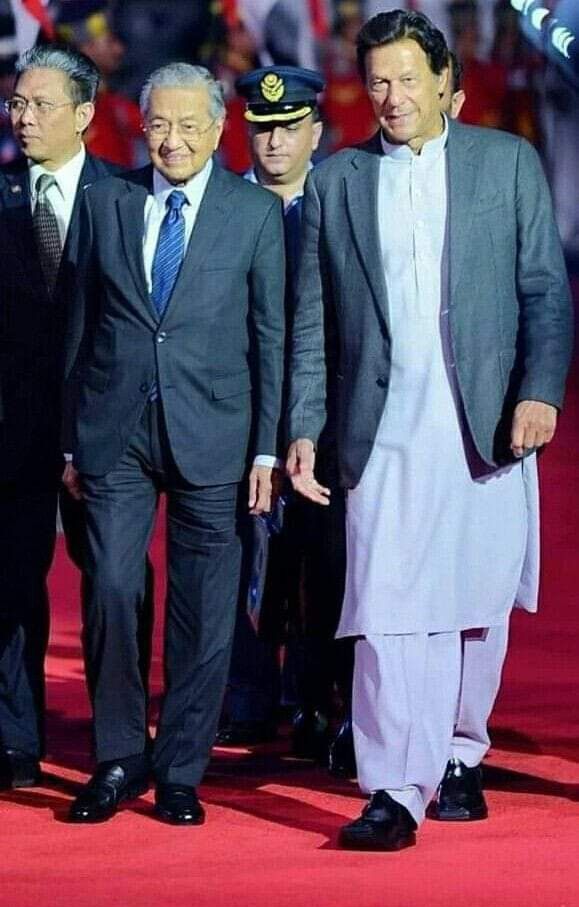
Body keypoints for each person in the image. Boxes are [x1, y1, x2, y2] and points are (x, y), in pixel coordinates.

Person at [287, 9, 573, 851]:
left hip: (483, 421)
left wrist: (538, 393)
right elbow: (313, 322)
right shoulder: (337, 182)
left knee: (474, 600)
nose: (392, 96)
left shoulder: (505, 162)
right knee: (380, 604)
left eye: (408, 78)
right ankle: (390, 787)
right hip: (377, 429)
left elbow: (543, 292)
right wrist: (304, 426)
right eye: (378, 80)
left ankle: (458, 752)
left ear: (446, 82)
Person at [62, 63, 285, 825]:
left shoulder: (253, 214)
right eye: (160, 124)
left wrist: (266, 451)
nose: (173, 140)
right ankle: (119, 756)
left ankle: (181, 767)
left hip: (215, 432)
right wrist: (69, 440)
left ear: (218, 131)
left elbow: (270, 338)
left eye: (190, 126)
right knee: (111, 588)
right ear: (141, 126)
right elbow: (79, 323)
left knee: (203, 606)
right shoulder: (107, 201)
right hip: (114, 430)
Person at [219, 65, 354, 773]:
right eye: (263, 129)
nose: (274, 142)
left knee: (318, 559)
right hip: (234, 414)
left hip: (323, 417)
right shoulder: (219, 205)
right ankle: (245, 693)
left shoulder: (342, 203)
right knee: (235, 554)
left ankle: (314, 696)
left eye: (289, 128)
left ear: (316, 133)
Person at [0, 44, 127, 790]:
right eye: (16, 103)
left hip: (102, 427)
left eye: (40, 105)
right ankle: (16, 740)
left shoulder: (124, 196)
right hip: (12, 426)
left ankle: (119, 738)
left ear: (83, 114)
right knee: (12, 581)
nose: (23, 117)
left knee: (113, 579)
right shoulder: (2, 195)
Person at [54, 0, 144, 168]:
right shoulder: (72, 109)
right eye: (110, 41)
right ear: (86, 48)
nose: (119, 49)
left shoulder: (112, 101)